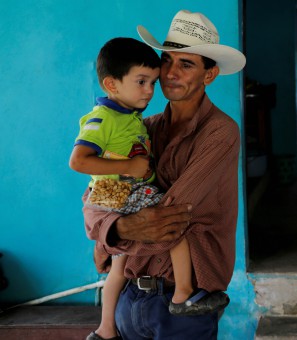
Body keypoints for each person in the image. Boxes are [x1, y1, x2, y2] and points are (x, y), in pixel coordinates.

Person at [82, 9, 245, 340]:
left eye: (186, 64)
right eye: (167, 60)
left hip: (181, 307)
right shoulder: (142, 128)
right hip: (128, 299)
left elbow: (169, 216)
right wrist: (114, 228)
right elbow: (95, 198)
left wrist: (110, 238)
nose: (170, 72)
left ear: (209, 75)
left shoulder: (220, 133)